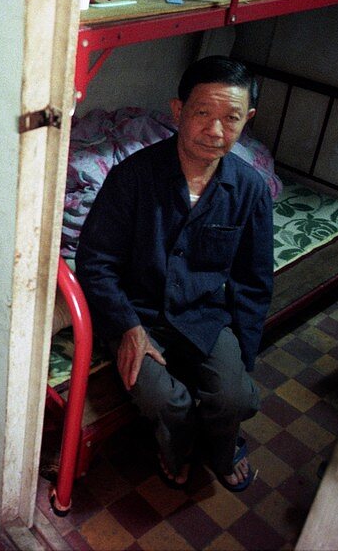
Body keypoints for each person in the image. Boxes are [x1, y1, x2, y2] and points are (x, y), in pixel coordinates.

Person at [75, 55, 273, 492]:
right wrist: (127, 327)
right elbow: (94, 261)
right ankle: (177, 446)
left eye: (231, 118)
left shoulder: (250, 189)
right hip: (137, 312)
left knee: (234, 395)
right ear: (179, 111)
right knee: (163, 398)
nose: (216, 131)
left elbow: (254, 281)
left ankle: (222, 448)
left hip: (203, 313)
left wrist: (243, 356)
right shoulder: (133, 178)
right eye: (203, 113)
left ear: (247, 121)